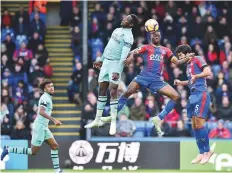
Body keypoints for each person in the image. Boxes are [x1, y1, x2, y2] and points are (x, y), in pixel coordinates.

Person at [101, 30, 193, 136]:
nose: (157, 36)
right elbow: (133, 52)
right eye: (155, 35)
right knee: (127, 93)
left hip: (156, 81)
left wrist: (186, 58)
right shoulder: (146, 47)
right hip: (143, 77)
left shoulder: (165, 50)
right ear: (151, 37)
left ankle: (158, 118)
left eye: (158, 35)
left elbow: (177, 61)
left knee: (176, 96)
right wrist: (130, 57)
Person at [84, 14, 139, 135]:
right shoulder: (117, 30)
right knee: (101, 89)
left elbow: (124, 56)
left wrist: (118, 70)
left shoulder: (129, 37)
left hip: (115, 64)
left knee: (113, 91)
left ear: (130, 24)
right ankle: (98, 119)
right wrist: (101, 59)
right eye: (125, 17)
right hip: (106, 62)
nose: (124, 19)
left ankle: (113, 121)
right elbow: (108, 47)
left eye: (127, 19)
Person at [1, 79, 64, 173]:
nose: (51, 87)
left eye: (52, 86)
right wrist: (54, 120)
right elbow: (41, 111)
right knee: (33, 151)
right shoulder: (45, 98)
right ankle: (8, 149)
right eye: (49, 86)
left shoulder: (47, 97)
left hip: (44, 126)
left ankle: (57, 170)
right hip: (40, 127)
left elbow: (41, 110)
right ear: (45, 89)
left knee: (55, 146)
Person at [174, 44, 213, 165]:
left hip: (202, 94)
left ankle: (208, 151)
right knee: (194, 125)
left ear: (186, 53)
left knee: (199, 123)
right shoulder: (187, 66)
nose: (180, 58)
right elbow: (192, 80)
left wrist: (197, 75)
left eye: (181, 55)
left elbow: (208, 72)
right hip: (193, 95)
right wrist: (181, 82)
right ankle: (201, 152)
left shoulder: (197, 58)